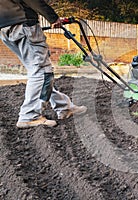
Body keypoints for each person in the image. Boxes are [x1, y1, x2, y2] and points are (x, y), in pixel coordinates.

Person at [0, 0, 87, 128]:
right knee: (42, 72)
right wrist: (53, 18)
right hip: (22, 24)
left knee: (39, 71)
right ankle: (29, 115)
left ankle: (64, 107)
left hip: (5, 27)